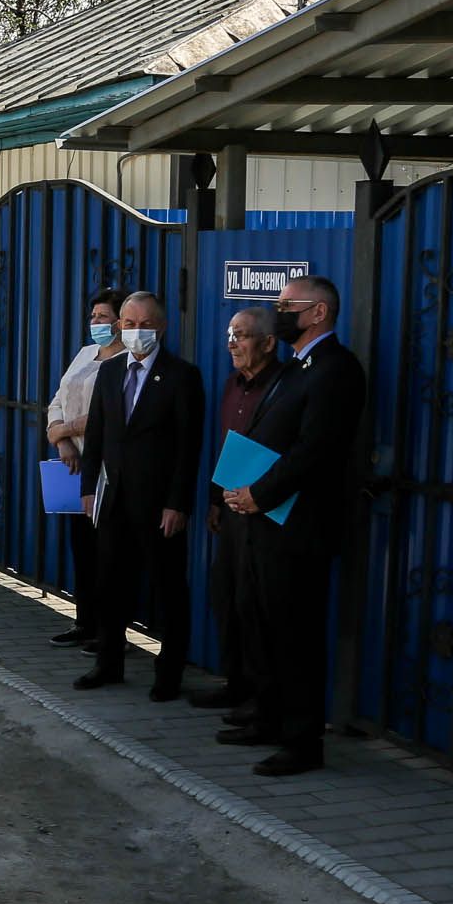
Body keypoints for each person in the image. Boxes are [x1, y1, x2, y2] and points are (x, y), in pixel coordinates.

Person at [221, 274, 368, 777]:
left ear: (319, 312)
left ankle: (303, 742)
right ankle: (268, 717)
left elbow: (314, 450)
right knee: (262, 624)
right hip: (264, 521)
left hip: (298, 523)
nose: (278, 312)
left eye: (287, 305)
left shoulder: (336, 369)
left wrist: (259, 494)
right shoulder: (297, 367)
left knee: (296, 635)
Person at [75, 290, 204, 703]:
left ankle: (169, 673)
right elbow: (96, 435)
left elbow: (189, 446)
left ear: (161, 328)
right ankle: (108, 662)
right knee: (111, 584)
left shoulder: (182, 376)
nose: (136, 331)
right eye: (129, 324)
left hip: (159, 505)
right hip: (114, 501)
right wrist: (90, 487)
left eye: (145, 324)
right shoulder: (111, 372)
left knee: (168, 588)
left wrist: (177, 502)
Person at [195, 307, 284, 720]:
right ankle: (235, 683)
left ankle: (261, 698)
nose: (233, 342)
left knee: (255, 606)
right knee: (225, 597)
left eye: (243, 335)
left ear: (268, 343)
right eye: (230, 334)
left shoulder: (283, 386)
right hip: (229, 508)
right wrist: (215, 500)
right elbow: (226, 444)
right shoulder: (233, 384)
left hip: (263, 510)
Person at [43, 288, 126, 650]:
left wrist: (73, 428)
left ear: (121, 322)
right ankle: (85, 621)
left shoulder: (126, 363)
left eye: (103, 317)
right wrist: (60, 438)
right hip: (74, 466)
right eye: (93, 317)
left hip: (108, 470)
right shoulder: (85, 354)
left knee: (110, 554)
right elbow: (58, 401)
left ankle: (113, 631)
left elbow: (109, 416)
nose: (96, 323)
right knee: (82, 550)